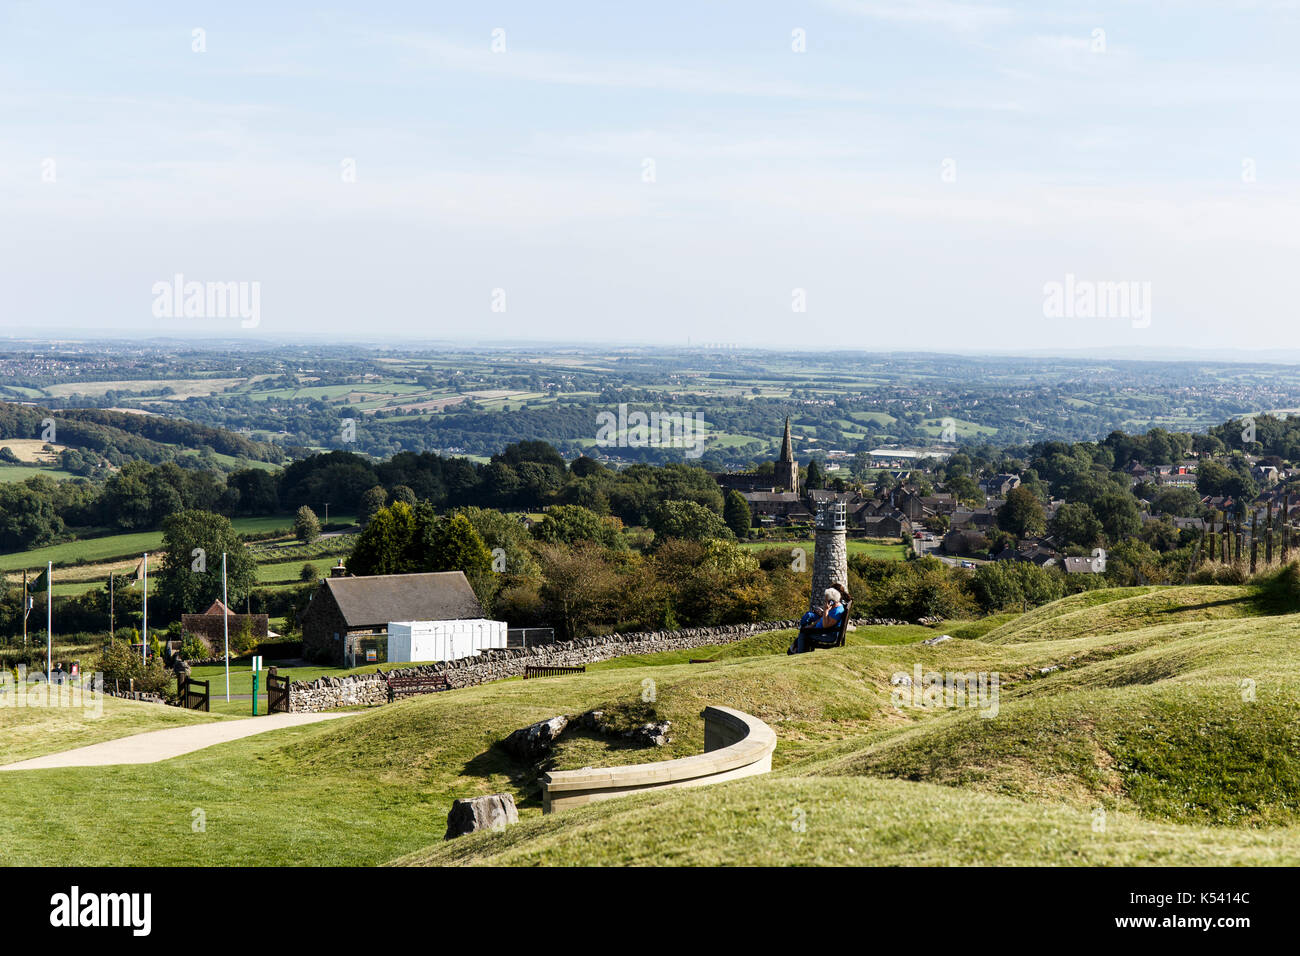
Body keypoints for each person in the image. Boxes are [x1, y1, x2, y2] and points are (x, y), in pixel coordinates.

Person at [788, 587, 846, 654]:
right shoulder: (835, 607)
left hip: (829, 636)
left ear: (831, 601)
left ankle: (798, 652)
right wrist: (812, 625)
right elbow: (823, 620)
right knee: (805, 629)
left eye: (826, 600)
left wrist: (826, 611)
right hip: (822, 631)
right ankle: (794, 649)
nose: (825, 601)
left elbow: (825, 626)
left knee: (803, 632)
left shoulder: (836, 611)